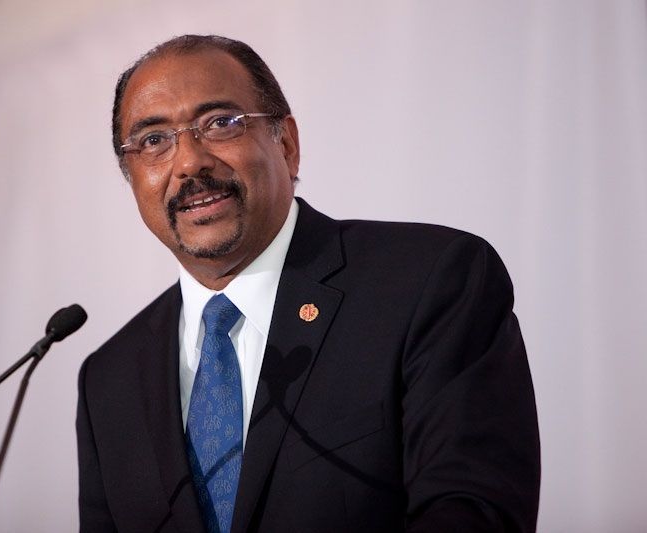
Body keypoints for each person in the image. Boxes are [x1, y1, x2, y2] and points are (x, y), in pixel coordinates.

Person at [76, 35, 540, 532]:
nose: (189, 162)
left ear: (287, 145)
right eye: (153, 140)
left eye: (220, 123)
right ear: (132, 178)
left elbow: (473, 511)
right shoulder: (109, 379)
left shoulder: (429, 282)